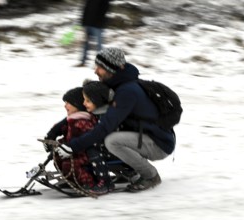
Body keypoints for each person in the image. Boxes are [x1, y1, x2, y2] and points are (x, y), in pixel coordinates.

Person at [67, 47, 176, 192]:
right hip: (142, 136)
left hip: (158, 143)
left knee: (112, 141)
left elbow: (106, 126)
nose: (95, 71)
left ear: (111, 69)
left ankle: (150, 175)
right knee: (104, 138)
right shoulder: (117, 86)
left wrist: (74, 146)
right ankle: (128, 170)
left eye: (99, 67)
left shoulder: (127, 91)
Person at [45, 87, 97, 189]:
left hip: (83, 154)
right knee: (58, 158)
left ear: (77, 104)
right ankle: (71, 180)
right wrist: (56, 144)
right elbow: (67, 134)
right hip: (72, 150)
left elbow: (83, 140)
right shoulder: (72, 120)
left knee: (69, 164)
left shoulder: (82, 121)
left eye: (68, 103)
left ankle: (87, 182)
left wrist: (66, 146)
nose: (65, 105)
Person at [74, 0, 110, 67]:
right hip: (87, 23)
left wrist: (100, 22)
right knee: (85, 44)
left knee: (99, 45)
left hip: (97, 25)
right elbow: (85, 9)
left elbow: (105, 10)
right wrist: (83, 23)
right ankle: (83, 62)